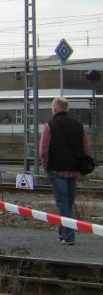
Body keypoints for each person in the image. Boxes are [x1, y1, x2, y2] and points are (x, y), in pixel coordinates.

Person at [39, 96, 91, 245]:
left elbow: (44, 150)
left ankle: (68, 237)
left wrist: (45, 166)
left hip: (56, 170)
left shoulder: (49, 126)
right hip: (74, 170)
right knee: (67, 202)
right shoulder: (78, 125)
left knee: (63, 203)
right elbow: (86, 147)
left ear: (55, 109)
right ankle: (63, 234)